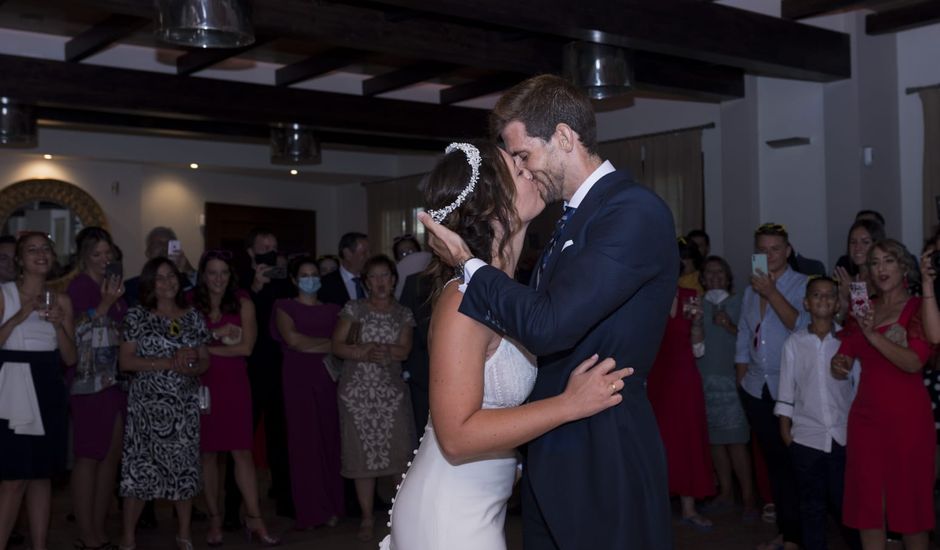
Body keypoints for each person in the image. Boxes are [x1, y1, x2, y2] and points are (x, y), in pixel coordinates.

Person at [420, 74, 678, 550]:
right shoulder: (568, 222)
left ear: (563, 137)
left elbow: (549, 326)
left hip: (604, 452)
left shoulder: (632, 211)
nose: (522, 169)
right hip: (553, 455)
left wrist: (467, 263)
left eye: (523, 155)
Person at [382, 141, 629, 550]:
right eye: (518, 168)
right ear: (490, 205)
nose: (530, 168)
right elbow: (457, 436)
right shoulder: (463, 300)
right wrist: (569, 405)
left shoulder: (506, 292)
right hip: (449, 517)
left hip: (480, 504)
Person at [831, 239, 934, 550]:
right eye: (874, 263)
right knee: (868, 507)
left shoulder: (918, 307)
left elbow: (914, 362)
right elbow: (843, 362)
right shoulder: (864, 308)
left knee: (910, 507)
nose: (880, 268)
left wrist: (873, 335)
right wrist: (839, 364)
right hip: (865, 418)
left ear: (903, 267)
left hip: (907, 419)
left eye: (888, 260)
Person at [118, 258, 211, 550]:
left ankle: (184, 533)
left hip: (183, 405)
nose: (167, 282)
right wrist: (169, 363)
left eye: (171, 276)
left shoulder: (193, 316)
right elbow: (126, 360)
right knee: (139, 472)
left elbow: (205, 359)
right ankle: (128, 536)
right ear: (149, 283)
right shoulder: (137, 315)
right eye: (159, 278)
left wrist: (192, 367)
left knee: (184, 470)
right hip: (147, 407)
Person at [192, 250, 278, 546]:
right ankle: (215, 519)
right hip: (201, 384)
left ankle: (255, 519)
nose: (218, 279)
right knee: (208, 454)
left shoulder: (242, 301)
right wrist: (217, 341)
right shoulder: (191, 303)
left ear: (231, 276)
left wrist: (207, 346)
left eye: (224, 273)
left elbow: (246, 348)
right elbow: (184, 346)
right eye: (212, 273)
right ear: (203, 275)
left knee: (242, 452)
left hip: (234, 383)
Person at [330, 255, 415, 541]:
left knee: (399, 456)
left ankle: (399, 516)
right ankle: (366, 518)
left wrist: (386, 351)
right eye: (374, 277)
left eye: (385, 276)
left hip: (390, 395)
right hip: (357, 395)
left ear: (394, 280)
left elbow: (404, 350)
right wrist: (364, 351)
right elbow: (338, 346)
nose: (380, 282)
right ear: (366, 282)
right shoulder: (353, 309)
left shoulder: (403, 313)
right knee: (361, 457)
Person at [0, 232, 77, 550]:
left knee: (42, 475)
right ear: (19, 259)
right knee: (15, 477)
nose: (41, 254)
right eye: (32, 250)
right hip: (13, 386)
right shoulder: (4, 294)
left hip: (47, 384)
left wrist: (59, 324)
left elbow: (71, 358)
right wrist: (21, 314)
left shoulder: (62, 300)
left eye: (45, 249)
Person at [735, 222, 809, 550]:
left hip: (790, 388)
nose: (769, 255)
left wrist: (771, 292)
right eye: (762, 250)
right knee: (775, 465)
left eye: (775, 249)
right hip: (756, 387)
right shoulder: (751, 289)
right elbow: (743, 337)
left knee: (796, 463)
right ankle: (787, 531)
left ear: (788, 251)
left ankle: (802, 533)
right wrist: (742, 381)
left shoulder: (802, 284)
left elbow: (800, 325)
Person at [775, 276, 860, 550]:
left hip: (842, 438)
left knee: (846, 506)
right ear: (806, 303)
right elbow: (786, 392)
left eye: (829, 295)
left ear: (837, 304)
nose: (823, 299)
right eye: (816, 295)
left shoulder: (847, 342)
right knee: (811, 508)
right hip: (806, 439)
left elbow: (857, 389)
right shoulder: (794, 344)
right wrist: (787, 433)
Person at [271, 256, 344, 531]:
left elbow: (345, 342)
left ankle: (333, 507)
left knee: (329, 443)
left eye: (314, 274)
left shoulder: (335, 309)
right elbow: (293, 340)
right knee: (304, 445)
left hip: (328, 380)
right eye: (304, 274)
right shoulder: (284, 307)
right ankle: (311, 510)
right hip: (298, 382)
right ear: (293, 279)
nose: (310, 278)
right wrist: (330, 344)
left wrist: (324, 345)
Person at [67, 227, 128, 550]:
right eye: (98, 254)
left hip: (116, 380)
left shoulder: (116, 287)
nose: (105, 260)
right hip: (88, 382)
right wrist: (104, 303)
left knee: (111, 455)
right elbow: (72, 332)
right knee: (89, 455)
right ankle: (85, 530)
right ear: (84, 258)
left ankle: (100, 525)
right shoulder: (79, 287)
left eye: (109, 254)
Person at [235, 227, 293, 522]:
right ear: (250, 251)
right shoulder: (241, 281)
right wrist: (256, 286)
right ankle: (233, 509)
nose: (270, 251)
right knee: (240, 439)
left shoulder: (284, 281)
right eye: (263, 246)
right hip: (250, 369)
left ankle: (284, 500)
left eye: (274, 246)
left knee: (280, 437)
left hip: (280, 367)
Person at [646, 284, 714, 530]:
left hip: (684, 378)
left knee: (688, 439)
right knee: (658, 442)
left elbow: (699, 349)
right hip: (653, 378)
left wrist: (697, 323)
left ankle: (689, 508)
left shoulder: (690, 296)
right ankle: (656, 507)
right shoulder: (646, 293)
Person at [695, 256, 756, 519]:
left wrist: (729, 325)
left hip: (732, 378)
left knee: (737, 441)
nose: (714, 277)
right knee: (715, 440)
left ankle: (750, 498)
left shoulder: (740, 301)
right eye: (709, 273)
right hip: (705, 378)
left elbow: (754, 337)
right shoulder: (696, 304)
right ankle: (726, 493)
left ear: (728, 276)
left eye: (720, 272)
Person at [123, 227, 197, 307]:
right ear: (148, 252)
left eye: (169, 244)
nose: (165, 247)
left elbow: (204, 296)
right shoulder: (131, 287)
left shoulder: (185, 283)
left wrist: (188, 269)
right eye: (158, 244)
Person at [833, 219, 885, 318]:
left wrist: (854, 293)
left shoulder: (884, 280)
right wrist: (843, 305)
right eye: (853, 242)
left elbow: (867, 321)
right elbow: (838, 324)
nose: (857, 247)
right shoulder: (848, 280)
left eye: (865, 242)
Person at [318, 233, 370, 306]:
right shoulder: (325, 284)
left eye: (369, 252)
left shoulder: (371, 279)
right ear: (347, 254)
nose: (368, 257)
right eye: (364, 253)